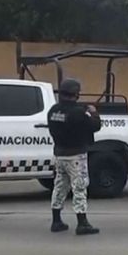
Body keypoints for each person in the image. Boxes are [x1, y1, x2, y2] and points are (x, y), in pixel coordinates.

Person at [47, 78, 102, 235]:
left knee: (59, 187)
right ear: (76, 94)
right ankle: (82, 223)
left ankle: (56, 220)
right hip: (76, 155)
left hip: (59, 154)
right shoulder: (78, 112)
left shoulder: (53, 111)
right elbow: (95, 126)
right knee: (79, 187)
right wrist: (93, 112)